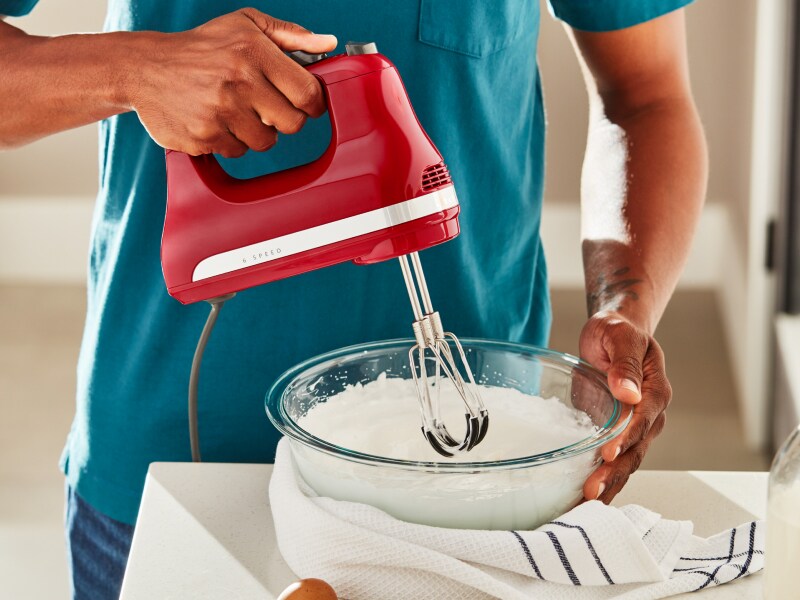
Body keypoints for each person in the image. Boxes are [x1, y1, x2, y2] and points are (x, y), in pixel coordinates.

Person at [0, 1, 707, 598]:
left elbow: (646, 95)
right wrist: (132, 68)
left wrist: (625, 306)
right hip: (172, 459)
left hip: (482, 480)